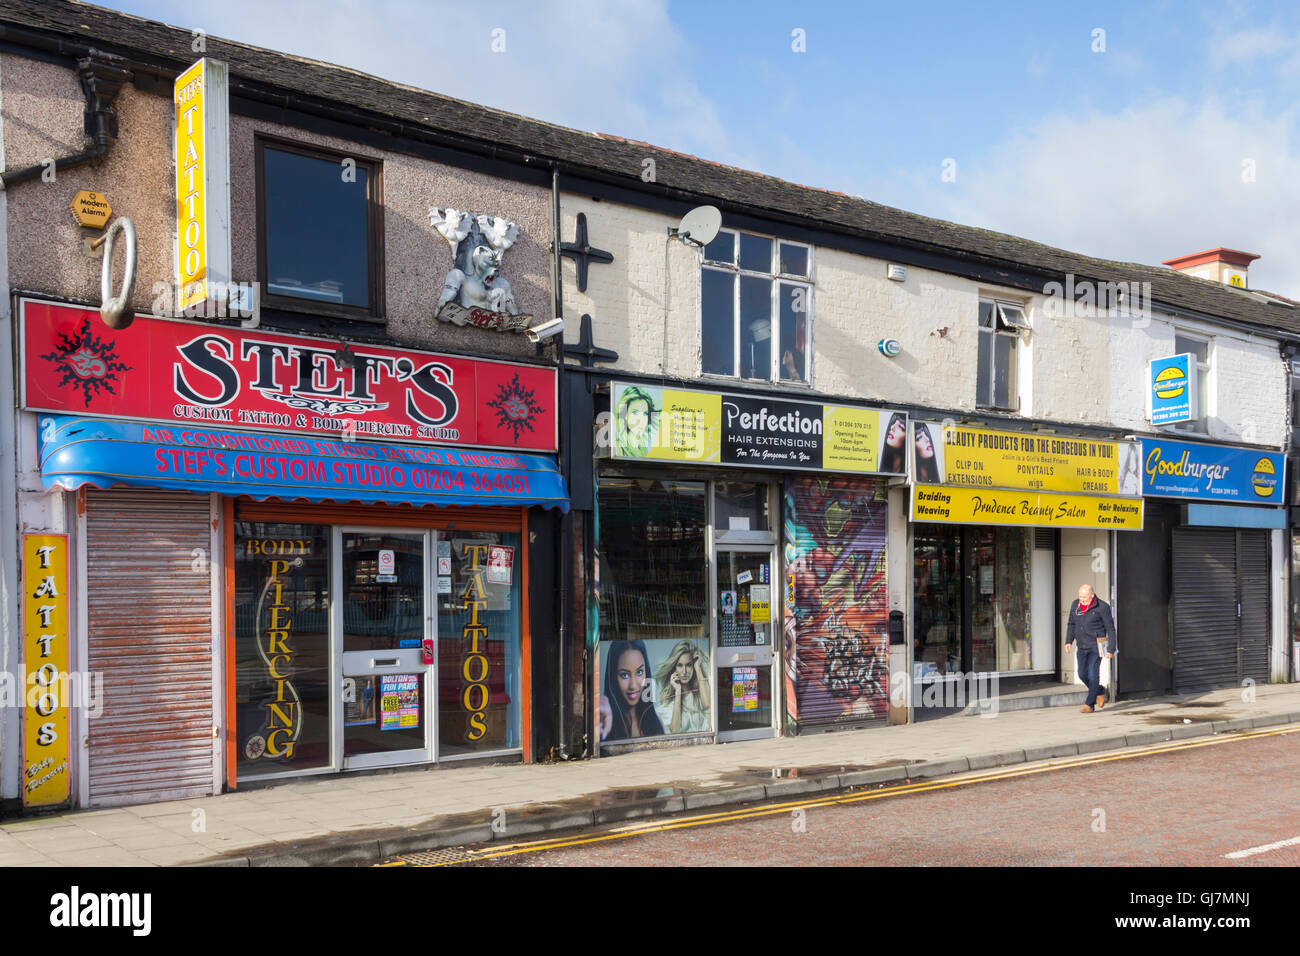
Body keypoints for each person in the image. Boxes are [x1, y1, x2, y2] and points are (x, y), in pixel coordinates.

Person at [598, 640, 665, 740]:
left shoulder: (657, 722)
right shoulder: (605, 722)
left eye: (639, 672)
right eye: (624, 675)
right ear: (613, 678)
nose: (633, 685)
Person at [1064, 584, 1117, 713]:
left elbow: (1110, 629)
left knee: (1093, 675)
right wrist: (1068, 641)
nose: (1081, 599)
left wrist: (1111, 649)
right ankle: (1099, 690)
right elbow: (1071, 624)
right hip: (1081, 645)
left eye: (1084, 597)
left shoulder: (1102, 607)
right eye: (1080, 596)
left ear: (1092, 595)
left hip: (1096, 646)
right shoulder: (1075, 605)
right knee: (1082, 674)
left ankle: (1089, 704)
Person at [653, 641, 711, 734]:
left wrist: (697, 667)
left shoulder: (699, 691)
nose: (684, 672)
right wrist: (678, 691)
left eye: (688, 665)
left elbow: (707, 704)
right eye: (680, 665)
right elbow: (675, 730)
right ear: (674, 668)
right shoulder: (666, 695)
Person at [613, 386, 658, 458]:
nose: (640, 420)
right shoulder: (617, 448)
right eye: (635, 413)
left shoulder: (644, 450)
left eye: (645, 414)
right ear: (625, 415)